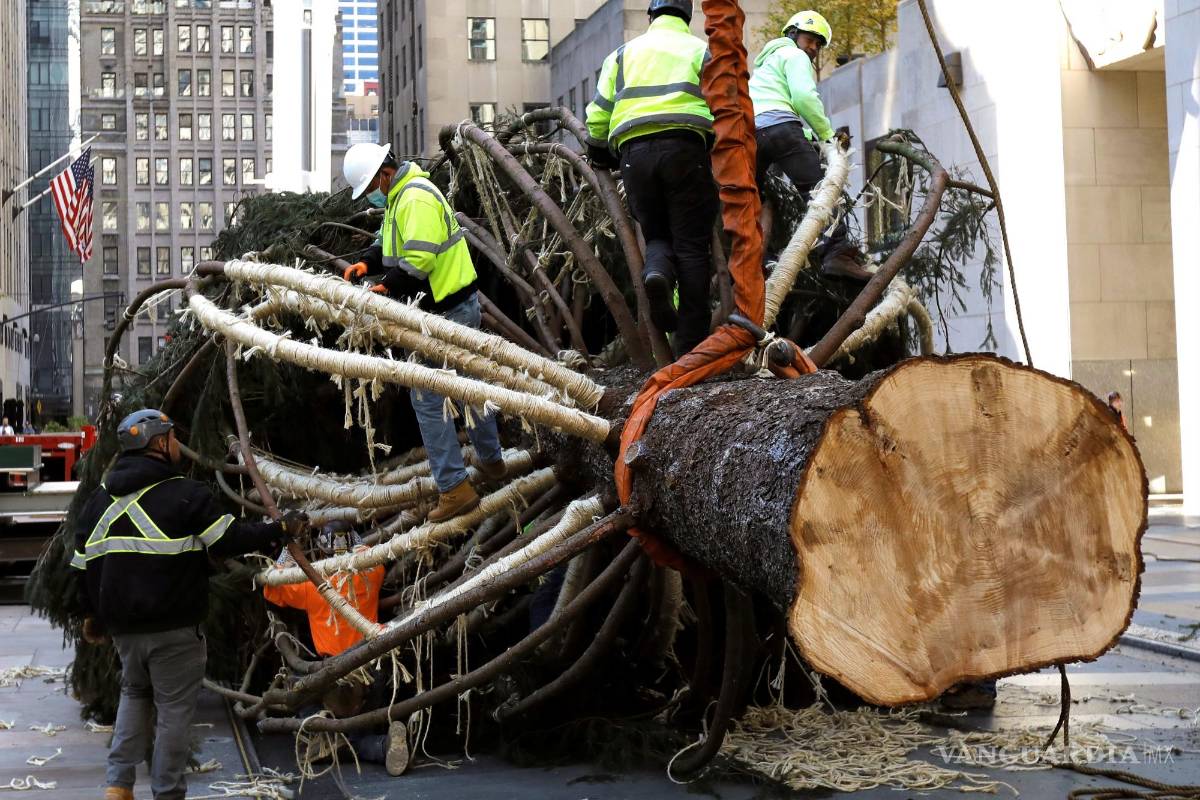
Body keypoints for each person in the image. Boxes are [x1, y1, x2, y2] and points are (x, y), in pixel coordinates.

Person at [71, 409, 309, 800]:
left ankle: (118, 785)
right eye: (172, 436)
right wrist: (280, 530)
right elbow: (229, 540)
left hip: (125, 632)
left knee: (134, 693)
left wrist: (92, 615)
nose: (179, 443)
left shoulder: (98, 503)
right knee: (173, 712)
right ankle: (167, 794)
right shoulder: (185, 495)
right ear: (160, 443)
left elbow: (81, 566)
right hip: (176, 629)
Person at [341, 142, 507, 522]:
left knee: (428, 399)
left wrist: (389, 287)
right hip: (451, 307)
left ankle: (454, 489)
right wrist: (367, 263)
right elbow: (389, 240)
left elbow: (418, 259)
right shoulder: (403, 196)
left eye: (371, 189)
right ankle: (493, 463)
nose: (373, 197)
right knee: (470, 387)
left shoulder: (413, 198)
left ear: (384, 174)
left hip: (445, 312)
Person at [585, 0, 718, 357]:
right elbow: (724, 105)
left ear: (650, 16)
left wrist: (598, 149)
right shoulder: (701, 52)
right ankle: (690, 344)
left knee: (656, 231)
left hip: (634, 155)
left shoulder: (623, 55)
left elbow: (598, 113)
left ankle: (656, 271)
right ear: (688, 17)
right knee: (692, 246)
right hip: (686, 150)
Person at [263, 521, 407, 775]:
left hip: (331, 671)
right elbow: (366, 553)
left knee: (299, 684)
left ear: (321, 551)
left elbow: (272, 587)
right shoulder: (373, 572)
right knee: (363, 726)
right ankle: (381, 744)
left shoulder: (309, 585)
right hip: (372, 667)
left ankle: (325, 740)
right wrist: (353, 536)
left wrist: (288, 546)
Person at [749, 10, 872, 281]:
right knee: (821, 191)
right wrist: (827, 135)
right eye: (811, 40)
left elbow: (769, 110)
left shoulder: (763, 68)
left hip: (753, 134)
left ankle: (759, 257)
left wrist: (805, 136)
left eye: (818, 44)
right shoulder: (794, 55)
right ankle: (837, 252)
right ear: (793, 33)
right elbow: (804, 98)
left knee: (749, 199)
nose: (814, 48)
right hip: (782, 130)